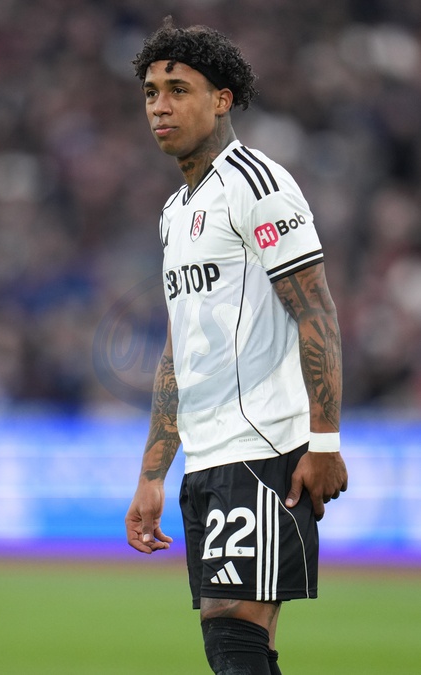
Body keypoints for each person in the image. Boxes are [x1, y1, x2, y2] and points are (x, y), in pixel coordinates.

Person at [125, 16, 348, 675]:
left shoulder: (257, 184)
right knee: (244, 650)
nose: (160, 106)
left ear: (222, 99)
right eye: (150, 93)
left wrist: (324, 442)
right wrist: (152, 475)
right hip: (208, 458)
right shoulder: (174, 213)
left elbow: (316, 311)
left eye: (178, 90)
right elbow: (179, 351)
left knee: (233, 642)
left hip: (263, 449)